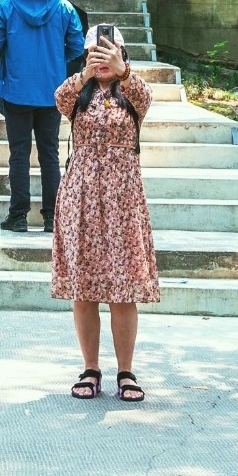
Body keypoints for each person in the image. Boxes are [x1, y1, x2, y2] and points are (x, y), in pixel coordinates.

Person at [56, 24, 158, 403]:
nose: (101, 59)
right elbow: (59, 99)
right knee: (84, 286)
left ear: (121, 51)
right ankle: (90, 367)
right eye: (94, 53)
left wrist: (123, 70)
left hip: (123, 200)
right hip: (80, 196)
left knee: (123, 287)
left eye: (109, 51)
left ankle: (126, 371)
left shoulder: (132, 92)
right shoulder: (78, 92)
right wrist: (85, 73)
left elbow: (146, 97)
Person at [0, 0, 84, 234]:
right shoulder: (65, 8)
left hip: (15, 90)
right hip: (51, 91)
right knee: (49, 154)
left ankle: (18, 216)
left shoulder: (5, 6)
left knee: (19, 154)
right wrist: (56, 62)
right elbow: (77, 47)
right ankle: (52, 216)